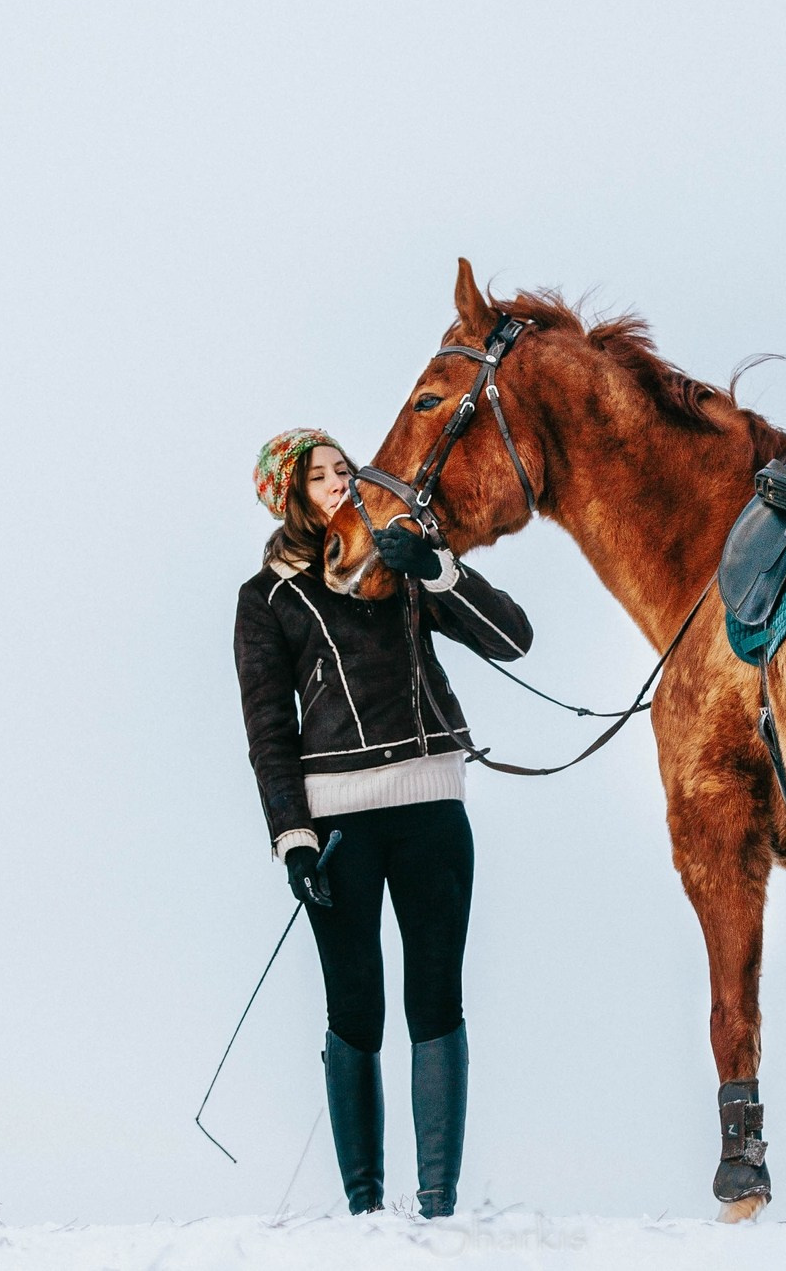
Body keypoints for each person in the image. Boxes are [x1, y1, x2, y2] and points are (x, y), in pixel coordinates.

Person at [233, 427, 534, 1217]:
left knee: (436, 998)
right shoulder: (267, 599)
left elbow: (513, 639)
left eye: (345, 468)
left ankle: (438, 1206)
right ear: (289, 496)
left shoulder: (402, 565)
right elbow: (269, 730)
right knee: (355, 1007)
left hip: (432, 805)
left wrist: (437, 572)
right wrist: (293, 837)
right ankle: (365, 1213)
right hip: (338, 829)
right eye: (320, 476)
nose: (341, 481)